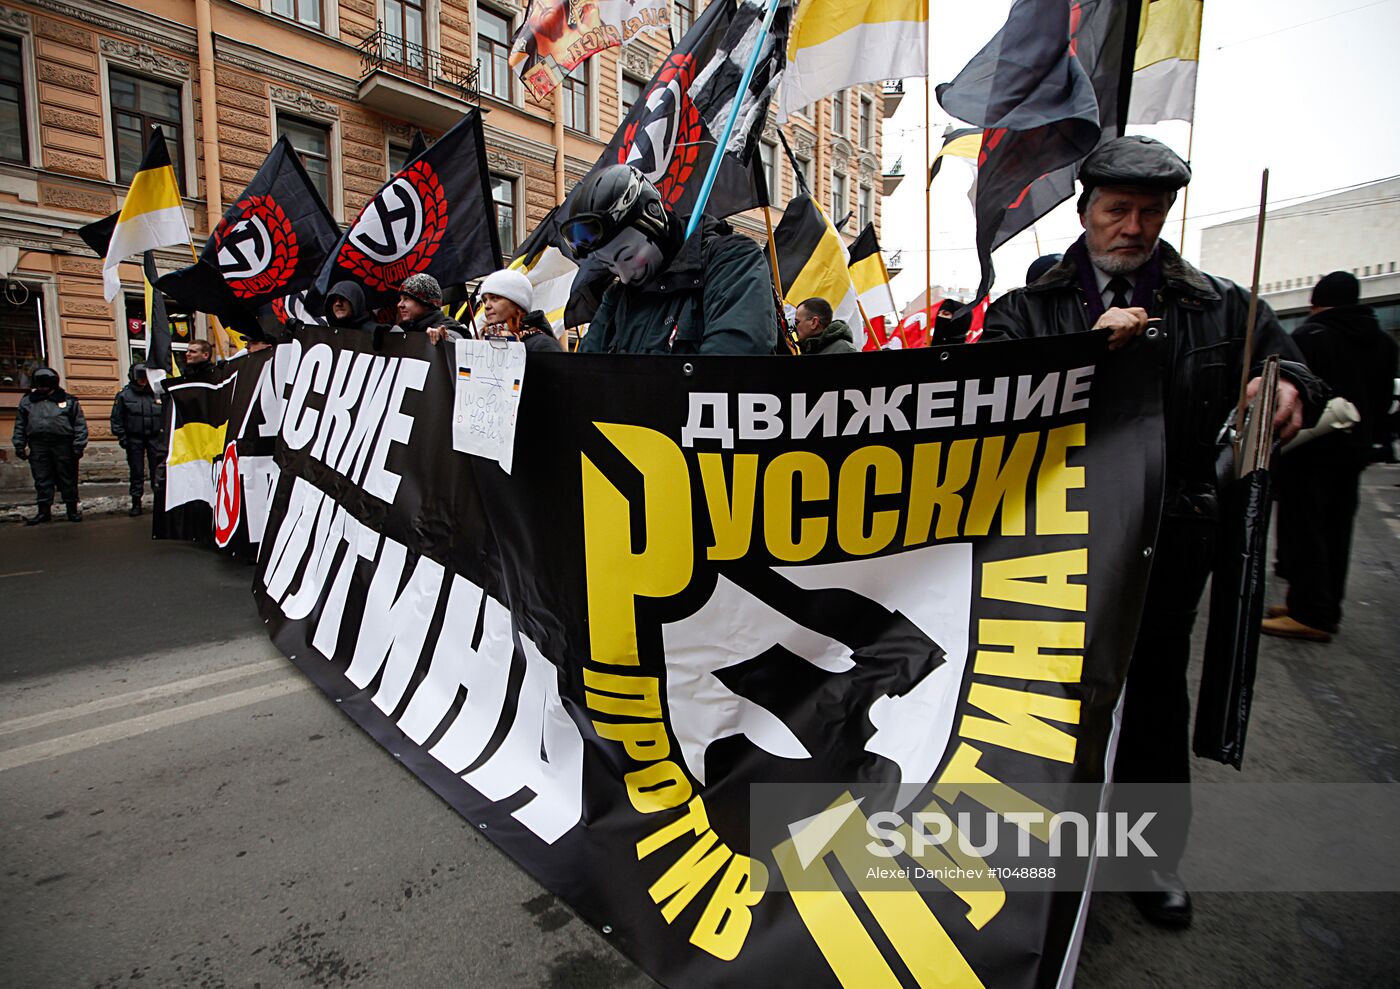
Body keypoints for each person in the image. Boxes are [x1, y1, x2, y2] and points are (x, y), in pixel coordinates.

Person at [982, 135, 1324, 929]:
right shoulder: (1027, 307)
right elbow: (983, 392)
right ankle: (1035, 857)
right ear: (1085, 210)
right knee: (1045, 699)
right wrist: (1080, 355)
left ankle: (1148, 855)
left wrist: (1288, 391)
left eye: (1149, 211)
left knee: (1156, 694)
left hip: (1173, 533)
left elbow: (1292, 364)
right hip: (1054, 539)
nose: (1132, 227)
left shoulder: (1218, 304)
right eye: (1116, 210)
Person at [1265, 271, 1399, 642]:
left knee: (1305, 528)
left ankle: (1309, 611)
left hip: (1310, 447)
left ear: (1315, 301)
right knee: (1337, 529)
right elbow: (1384, 400)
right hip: (1355, 447)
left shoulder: (1311, 335)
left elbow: (1289, 388)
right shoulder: (1384, 342)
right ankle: (1322, 606)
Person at [564, 165, 776, 355]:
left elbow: (729, 369)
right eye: (610, 266)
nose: (625, 277)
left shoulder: (732, 262)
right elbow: (587, 373)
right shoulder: (617, 299)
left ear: (653, 218)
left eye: (627, 257)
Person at [12, 366, 88, 524]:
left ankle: (72, 510)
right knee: (42, 478)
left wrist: (79, 445)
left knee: (67, 478)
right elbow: (20, 424)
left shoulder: (68, 400)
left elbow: (79, 424)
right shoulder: (28, 401)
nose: (42, 388)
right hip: (39, 444)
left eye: (45, 385)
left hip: (63, 444)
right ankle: (43, 511)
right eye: (39, 385)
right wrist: (19, 445)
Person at [110, 364, 166, 517]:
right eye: (139, 378)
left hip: (155, 438)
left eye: (144, 378)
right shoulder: (124, 396)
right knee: (137, 471)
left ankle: (159, 502)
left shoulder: (157, 394)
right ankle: (136, 502)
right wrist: (122, 436)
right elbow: (117, 419)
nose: (142, 381)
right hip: (134, 438)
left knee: (158, 472)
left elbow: (165, 416)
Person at [479, 268, 563, 353]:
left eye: (494, 298)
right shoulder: (484, 344)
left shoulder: (543, 345)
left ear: (517, 303)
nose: (487, 306)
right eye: (485, 300)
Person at [386, 273, 470, 346]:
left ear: (427, 303)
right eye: (400, 299)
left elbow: (456, 341)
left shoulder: (448, 327)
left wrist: (445, 339)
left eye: (406, 299)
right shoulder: (406, 329)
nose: (400, 305)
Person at [793, 297, 857, 354]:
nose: (794, 327)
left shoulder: (844, 350)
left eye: (797, 322)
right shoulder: (803, 350)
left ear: (814, 322)